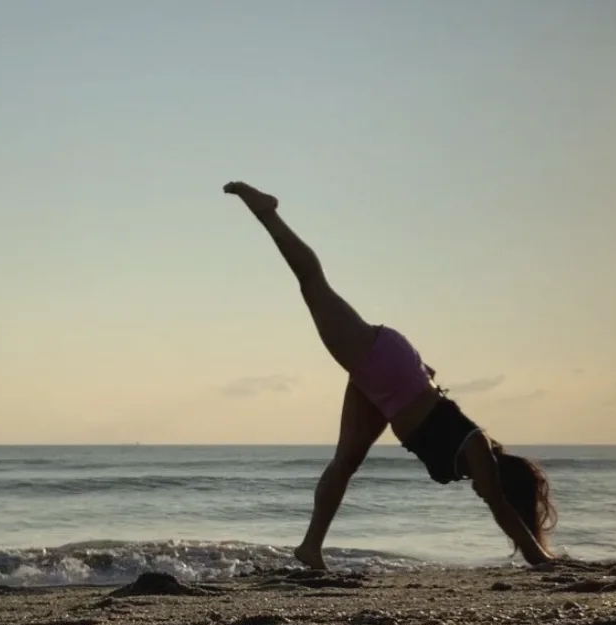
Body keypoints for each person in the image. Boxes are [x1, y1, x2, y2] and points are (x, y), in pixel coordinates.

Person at [222, 182, 558, 570]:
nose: (484, 495)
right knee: (313, 284)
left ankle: (310, 548)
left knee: (345, 463)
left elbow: (494, 500)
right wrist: (539, 557)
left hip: (391, 387)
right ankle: (266, 211)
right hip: (387, 368)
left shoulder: (473, 461)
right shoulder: (479, 448)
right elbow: (499, 506)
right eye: (497, 493)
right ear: (503, 482)